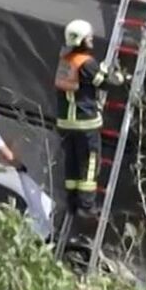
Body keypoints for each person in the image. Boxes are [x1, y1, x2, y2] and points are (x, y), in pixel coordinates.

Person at [55, 19, 123, 217]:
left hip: (65, 123)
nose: (92, 39)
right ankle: (86, 206)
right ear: (81, 40)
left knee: (72, 162)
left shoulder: (65, 60)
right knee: (89, 162)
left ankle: (72, 203)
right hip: (85, 122)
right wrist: (117, 77)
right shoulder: (86, 62)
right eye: (89, 37)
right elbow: (105, 84)